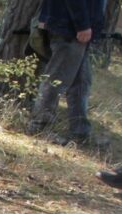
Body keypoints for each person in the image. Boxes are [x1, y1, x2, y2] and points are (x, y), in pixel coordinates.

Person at [26, 0, 106, 145]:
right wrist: (82, 25)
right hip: (69, 28)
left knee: (81, 82)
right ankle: (39, 126)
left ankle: (80, 132)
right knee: (56, 79)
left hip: (76, 29)